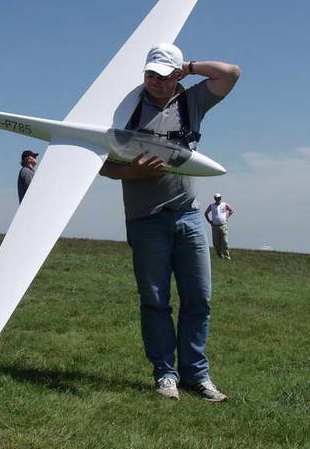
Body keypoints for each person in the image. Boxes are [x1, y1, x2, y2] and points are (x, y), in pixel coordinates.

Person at [99, 43, 240, 402]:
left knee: (199, 299)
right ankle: (165, 375)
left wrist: (188, 67)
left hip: (188, 215)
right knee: (155, 300)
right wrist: (130, 172)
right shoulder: (125, 108)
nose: (157, 82)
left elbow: (230, 73)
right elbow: (98, 163)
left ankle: (197, 375)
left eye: (165, 76)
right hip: (145, 219)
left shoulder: (191, 102)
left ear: (177, 75)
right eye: (151, 75)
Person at [205, 193, 235, 260]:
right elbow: (206, 213)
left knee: (225, 242)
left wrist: (226, 217)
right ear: (214, 199)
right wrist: (210, 221)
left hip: (223, 226)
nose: (217, 199)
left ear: (220, 198)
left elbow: (231, 210)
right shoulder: (211, 205)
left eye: (219, 198)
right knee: (216, 243)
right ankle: (220, 256)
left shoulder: (224, 204)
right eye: (216, 198)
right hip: (215, 226)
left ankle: (227, 257)